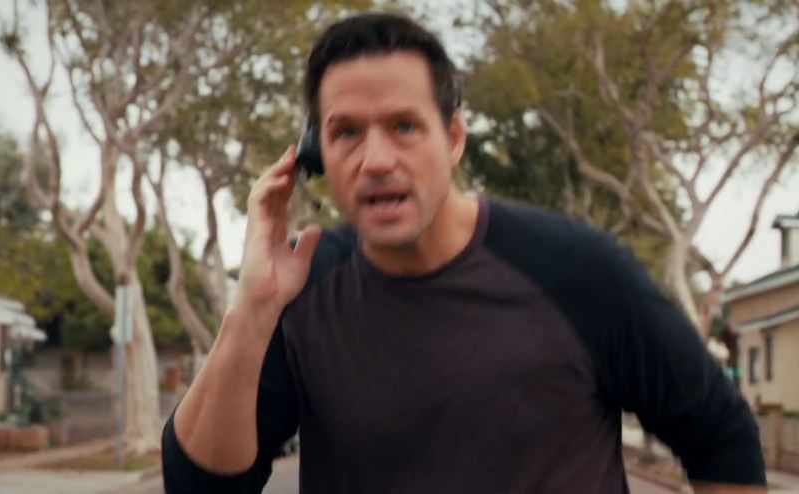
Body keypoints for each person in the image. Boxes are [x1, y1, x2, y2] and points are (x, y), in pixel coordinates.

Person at [161, 12, 766, 494]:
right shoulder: (303, 286)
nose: (376, 160)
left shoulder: (581, 270)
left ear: (452, 138)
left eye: (404, 126)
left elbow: (722, 437)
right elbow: (201, 486)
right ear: (315, 157)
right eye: (346, 132)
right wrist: (252, 308)